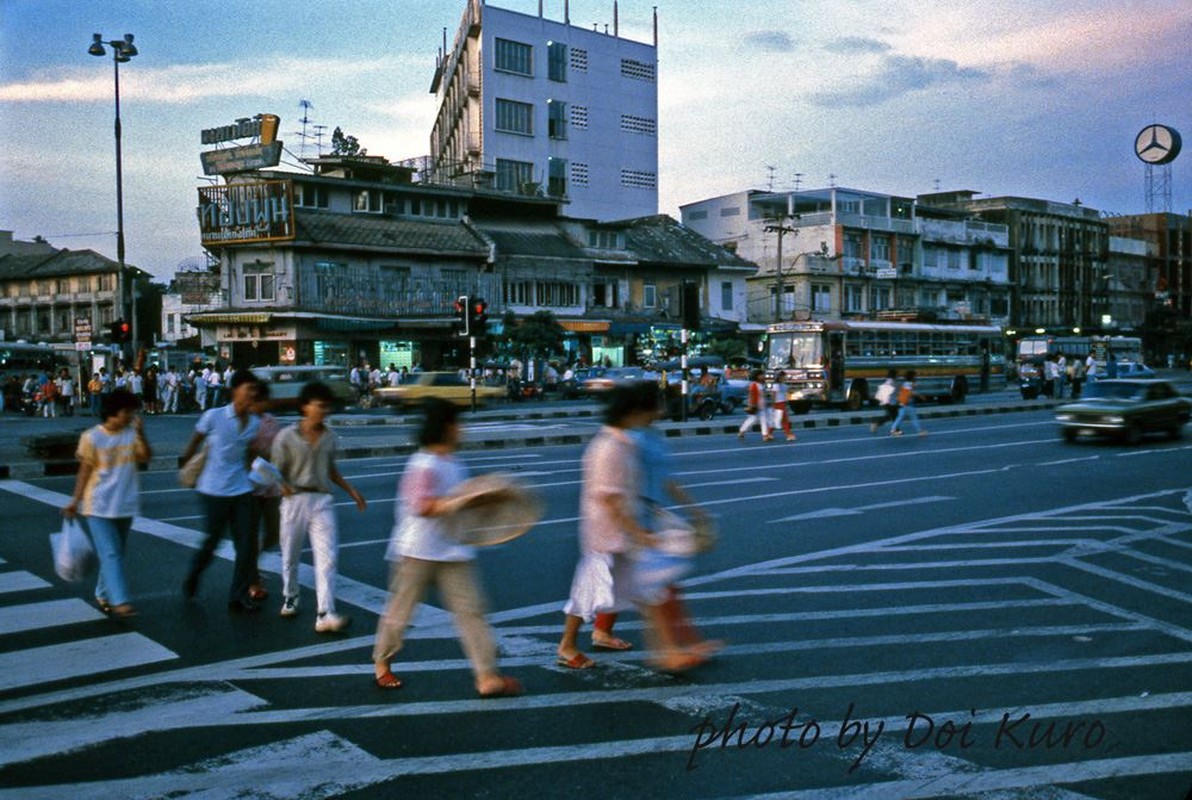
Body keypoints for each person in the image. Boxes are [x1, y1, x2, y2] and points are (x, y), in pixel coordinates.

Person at [372, 399, 522, 697]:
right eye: (457, 424)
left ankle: (487, 676)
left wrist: (491, 498)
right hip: (417, 550)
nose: (461, 430)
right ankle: (382, 661)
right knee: (400, 612)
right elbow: (423, 507)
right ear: (445, 428)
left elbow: (462, 504)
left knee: (472, 611)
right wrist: (464, 500)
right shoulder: (423, 463)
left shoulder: (455, 463)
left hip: (453, 549)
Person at [556, 384, 659, 671]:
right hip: (604, 535)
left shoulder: (624, 443)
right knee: (587, 591)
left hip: (620, 532)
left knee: (632, 585)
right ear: (632, 413)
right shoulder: (608, 448)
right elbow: (611, 500)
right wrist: (638, 531)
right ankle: (566, 645)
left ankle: (604, 634)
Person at [626, 382, 720, 670]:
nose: (664, 407)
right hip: (637, 519)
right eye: (659, 402)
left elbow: (667, 480)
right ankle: (668, 651)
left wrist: (696, 511)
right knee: (658, 589)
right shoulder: (630, 439)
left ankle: (682, 645)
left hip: (652, 515)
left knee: (664, 587)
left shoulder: (652, 436)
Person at [272, 381, 366, 633]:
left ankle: (325, 613)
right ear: (305, 407)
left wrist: (351, 490)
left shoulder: (330, 437)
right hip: (294, 501)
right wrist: (283, 487)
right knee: (290, 554)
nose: (324, 411)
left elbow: (330, 469)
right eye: (320, 406)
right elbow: (274, 470)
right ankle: (291, 595)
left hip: (322, 501)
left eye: (327, 407)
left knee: (327, 558)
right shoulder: (286, 436)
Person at [62, 388, 151, 619]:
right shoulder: (92, 437)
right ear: (114, 411)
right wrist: (75, 500)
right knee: (111, 553)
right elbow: (84, 471)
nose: (131, 416)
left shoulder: (131, 433)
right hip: (98, 506)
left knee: (115, 553)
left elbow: (145, 458)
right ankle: (120, 600)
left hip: (124, 504)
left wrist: (142, 434)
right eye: (128, 411)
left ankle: (103, 592)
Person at [179, 371, 263, 612]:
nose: (251, 397)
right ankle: (193, 576)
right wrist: (187, 462)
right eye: (248, 391)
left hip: (242, 489)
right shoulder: (213, 417)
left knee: (247, 545)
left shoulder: (254, 423)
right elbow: (196, 440)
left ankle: (237, 596)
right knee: (212, 542)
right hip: (213, 489)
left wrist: (258, 473)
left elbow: (249, 452)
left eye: (254, 393)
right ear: (234, 391)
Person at [248, 382, 282, 602]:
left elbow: (279, 450)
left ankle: (252, 562)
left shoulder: (271, 422)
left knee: (274, 531)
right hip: (248, 487)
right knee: (249, 534)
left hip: (270, 484)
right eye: (261, 400)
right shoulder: (243, 421)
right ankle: (252, 579)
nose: (264, 404)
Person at [890, 369, 926, 437]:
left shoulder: (904, 383)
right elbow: (911, 393)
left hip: (902, 403)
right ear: (912, 376)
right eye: (915, 376)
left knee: (900, 417)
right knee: (914, 418)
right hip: (908, 403)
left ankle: (893, 430)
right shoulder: (910, 384)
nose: (916, 377)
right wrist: (920, 396)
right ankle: (920, 432)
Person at [737, 370, 771, 441]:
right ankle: (742, 431)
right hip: (756, 406)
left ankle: (765, 435)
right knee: (754, 420)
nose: (763, 376)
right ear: (757, 376)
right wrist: (752, 405)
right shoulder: (754, 385)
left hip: (761, 405)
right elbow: (752, 396)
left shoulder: (761, 384)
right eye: (762, 375)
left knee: (761, 420)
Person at [870, 369, 900, 434]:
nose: (898, 376)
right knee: (891, 416)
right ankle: (876, 424)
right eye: (897, 374)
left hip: (886, 401)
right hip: (890, 402)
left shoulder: (887, 381)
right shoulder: (893, 383)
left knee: (892, 416)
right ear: (894, 375)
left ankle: (896, 429)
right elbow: (894, 393)